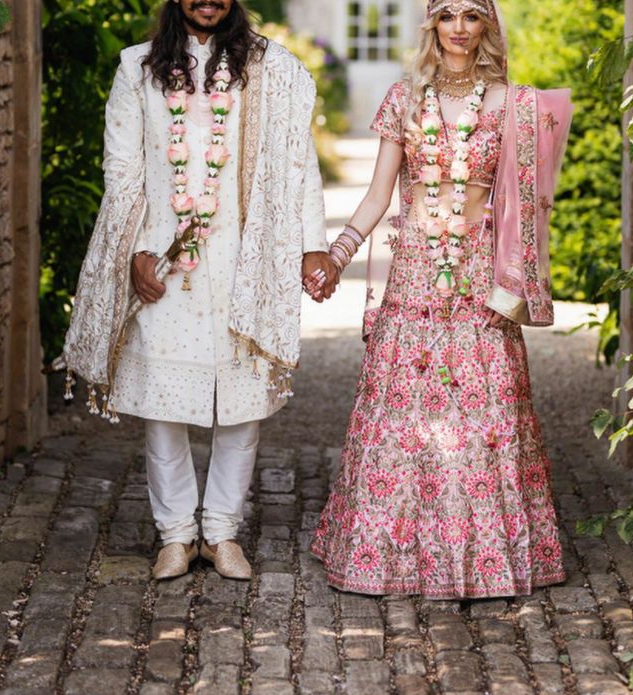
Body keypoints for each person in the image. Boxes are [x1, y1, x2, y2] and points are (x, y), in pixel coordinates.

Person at [56, 0, 338, 580]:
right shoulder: (137, 68)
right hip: (164, 258)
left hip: (245, 258)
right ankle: (176, 535)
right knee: (163, 403)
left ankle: (222, 533)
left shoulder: (270, 68)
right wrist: (137, 250)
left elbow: (296, 162)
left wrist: (313, 243)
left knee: (241, 403)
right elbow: (123, 167)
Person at [307, 0, 573, 599]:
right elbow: (379, 194)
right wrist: (338, 254)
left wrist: (519, 277)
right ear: (433, 25)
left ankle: (488, 558)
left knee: (485, 410)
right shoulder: (404, 100)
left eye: (471, 15)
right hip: (416, 275)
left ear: (486, 27)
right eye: (447, 15)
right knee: (408, 413)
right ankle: (390, 553)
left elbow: (527, 204)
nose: (458, 27)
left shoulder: (513, 105)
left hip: (480, 276)